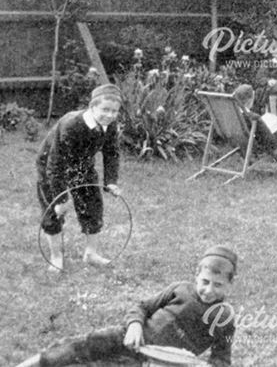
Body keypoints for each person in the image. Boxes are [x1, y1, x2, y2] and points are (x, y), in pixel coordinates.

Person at [15, 245, 238, 367]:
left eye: (218, 285)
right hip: (129, 337)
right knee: (82, 345)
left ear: (230, 284)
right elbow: (141, 307)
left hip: (160, 361)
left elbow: (222, 358)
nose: (209, 290)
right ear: (196, 275)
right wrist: (134, 325)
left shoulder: (224, 318)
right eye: (205, 282)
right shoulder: (179, 289)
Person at [36, 83, 124, 271]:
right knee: (54, 212)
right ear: (92, 106)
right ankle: (56, 256)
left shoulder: (110, 124)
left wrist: (111, 182)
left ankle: (91, 254)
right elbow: (55, 164)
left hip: (82, 165)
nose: (110, 115)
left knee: (93, 206)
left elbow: (112, 153)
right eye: (105, 109)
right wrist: (61, 198)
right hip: (51, 167)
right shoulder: (72, 124)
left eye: (114, 111)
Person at [231, 84, 277, 166]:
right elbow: (269, 139)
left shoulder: (234, 114)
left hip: (243, 142)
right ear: (249, 100)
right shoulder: (253, 117)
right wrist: (275, 128)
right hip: (260, 146)